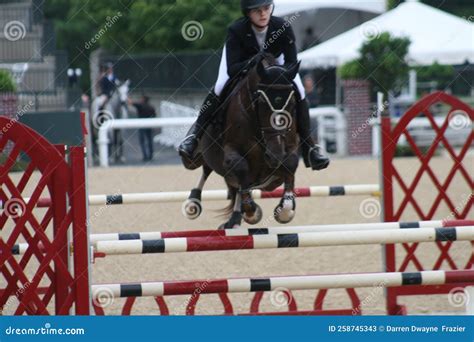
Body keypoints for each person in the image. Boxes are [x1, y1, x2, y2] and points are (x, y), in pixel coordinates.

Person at [178, 0, 329, 171]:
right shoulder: (236, 30)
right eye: (257, 11)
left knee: (300, 91)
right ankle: (194, 137)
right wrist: (252, 62)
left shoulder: (283, 27)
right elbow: (233, 68)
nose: (263, 14)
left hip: (276, 63)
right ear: (248, 13)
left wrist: (276, 73)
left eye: (266, 9)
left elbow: (291, 62)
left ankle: (310, 147)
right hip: (241, 63)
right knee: (219, 88)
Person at [129, 95, 156, 162]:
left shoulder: (140, 106)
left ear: (143, 99)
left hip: (142, 126)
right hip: (149, 125)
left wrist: (127, 97)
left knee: (142, 141)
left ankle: (145, 156)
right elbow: (154, 116)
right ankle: (150, 155)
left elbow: (130, 102)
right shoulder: (151, 107)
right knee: (149, 141)